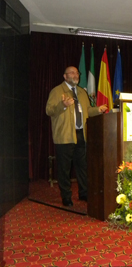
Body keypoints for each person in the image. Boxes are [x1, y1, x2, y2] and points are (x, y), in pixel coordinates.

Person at [46, 66, 108, 206]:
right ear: (65, 76)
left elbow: (86, 111)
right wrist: (63, 105)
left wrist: (97, 109)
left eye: (77, 73)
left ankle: (84, 193)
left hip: (81, 134)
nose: (76, 75)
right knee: (64, 168)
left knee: (83, 166)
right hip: (65, 135)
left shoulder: (81, 92)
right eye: (72, 73)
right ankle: (66, 196)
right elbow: (49, 110)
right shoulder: (57, 91)